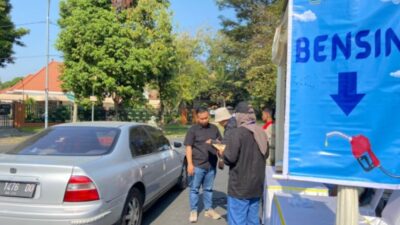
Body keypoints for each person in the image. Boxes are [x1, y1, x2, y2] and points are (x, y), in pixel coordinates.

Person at [218, 101, 268, 225]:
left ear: (239, 116)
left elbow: (230, 158)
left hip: (240, 187)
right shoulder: (261, 132)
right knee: (253, 220)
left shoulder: (237, 133)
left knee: (237, 220)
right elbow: (266, 154)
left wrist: (221, 153)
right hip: (256, 186)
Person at [184, 107, 222, 223]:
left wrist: (221, 158)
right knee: (194, 189)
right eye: (202, 118)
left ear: (208, 116)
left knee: (208, 189)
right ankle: (194, 211)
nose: (204, 120)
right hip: (197, 165)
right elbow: (188, 147)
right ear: (197, 117)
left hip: (211, 164)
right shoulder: (193, 130)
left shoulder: (214, 129)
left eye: (206, 118)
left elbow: (220, 144)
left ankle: (208, 209)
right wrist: (189, 164)